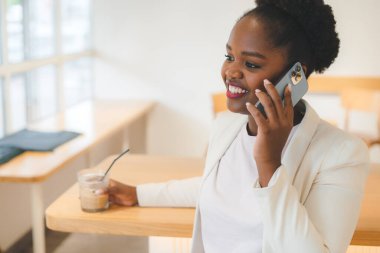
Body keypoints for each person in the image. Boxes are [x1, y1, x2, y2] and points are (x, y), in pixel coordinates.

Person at [107, 0, 370, 252]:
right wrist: (139, 194)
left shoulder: (342, 154)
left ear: (294, 76)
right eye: (229, 56)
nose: (231, 71)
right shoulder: (226, 126)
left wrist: (270, 167)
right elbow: (218, 187)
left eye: (251, 64)